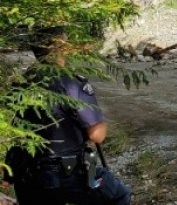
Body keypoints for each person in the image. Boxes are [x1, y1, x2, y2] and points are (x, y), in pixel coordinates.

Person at [2, 35, 132, 205]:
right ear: (62, 47)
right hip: (68, 175)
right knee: (119, 196)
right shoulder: (72, 83)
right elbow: (97, 136)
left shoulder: (22, 84)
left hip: (28, 176)